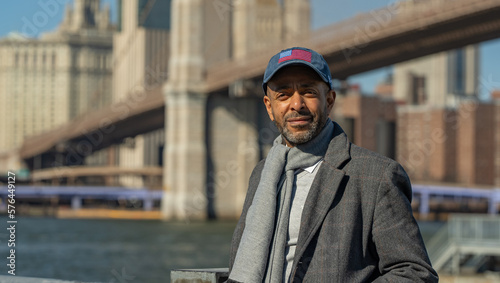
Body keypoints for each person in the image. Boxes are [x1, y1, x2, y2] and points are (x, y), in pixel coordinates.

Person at [227, 47, 438, 282]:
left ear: (329, 100)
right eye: (283, 95)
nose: (296, 104)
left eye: (308, 92)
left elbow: (415, 273)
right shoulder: (262, 174)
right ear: (269, 107)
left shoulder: (377, 176)